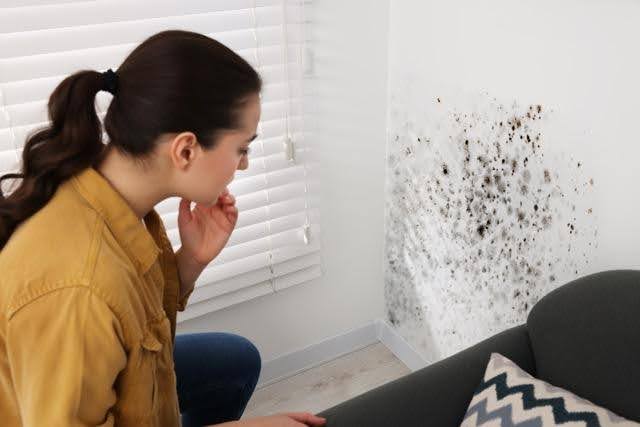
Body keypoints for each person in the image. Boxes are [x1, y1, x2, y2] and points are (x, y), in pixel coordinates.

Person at [0, 30, 326, 427]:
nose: (243, 165)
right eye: (242, 148)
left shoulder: (117, 198)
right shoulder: (79, 289)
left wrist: (189, 261)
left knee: (235, 362)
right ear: (185, 149)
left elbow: (134, 316)